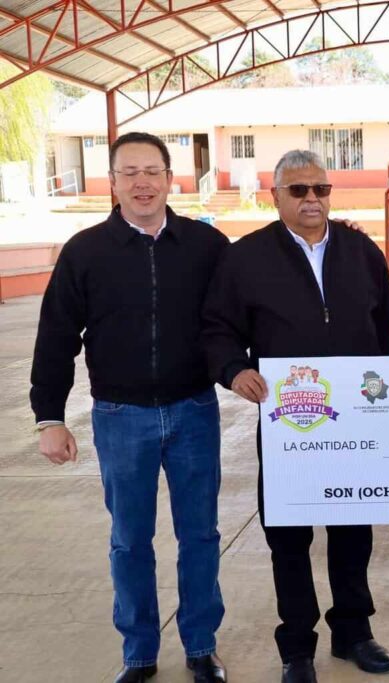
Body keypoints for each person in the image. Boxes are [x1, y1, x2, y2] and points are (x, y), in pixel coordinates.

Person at [30, 132, 229, 683]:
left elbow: (239, 316)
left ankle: (200, 646)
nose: (142, 182)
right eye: (129, 172)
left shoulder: (207, 248)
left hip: (194, 412)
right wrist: (49, 417)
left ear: (171, 179)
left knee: (201, 535)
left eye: (153, 171)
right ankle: (139, 653)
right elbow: (55, 338)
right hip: (121, 419)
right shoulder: (85, 252)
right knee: (129, 540)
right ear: (112, 183)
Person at [202, 150, 389, 683]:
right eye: (298, 191)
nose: (312, 199)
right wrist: (232, 370)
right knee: (288, 536)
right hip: (292, 426)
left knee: (353, 532)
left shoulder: (360, 250)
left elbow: (387, 327)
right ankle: (297, 648)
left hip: (357, 422)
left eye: (321, 189)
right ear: (276, 197)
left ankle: (354, 633)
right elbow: (217, 327)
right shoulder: (246, 259)